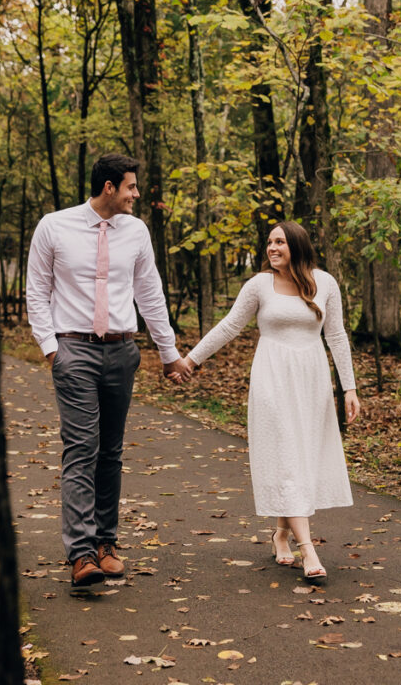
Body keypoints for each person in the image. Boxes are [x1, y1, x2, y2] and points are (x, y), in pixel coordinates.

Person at [26, 153, 192, 593]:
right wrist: (51, 350)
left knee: (111, 452)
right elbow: (37, 290)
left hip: (121, 351)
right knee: (82, 448)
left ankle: (105, 543)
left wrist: (168, 352)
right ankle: (80, 555)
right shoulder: (54, 226)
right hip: (73, 349)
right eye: (132, 187)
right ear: (109, 188)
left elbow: (149, 293)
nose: (136, 194)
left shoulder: (136, 232)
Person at [180, 221, 360, 584]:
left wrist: (349, 388)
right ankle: (307, 547)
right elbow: (229, 326)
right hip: (272, 379)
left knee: (299, 456)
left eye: (279, 242)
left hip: (311, 379)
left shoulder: (324, 282)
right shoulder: (259, 285)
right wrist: (190, 360)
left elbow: (337, 335)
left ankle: (281, 532)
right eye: (269, 242)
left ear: (297, 245)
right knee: (286, 453)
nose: (272, 248)